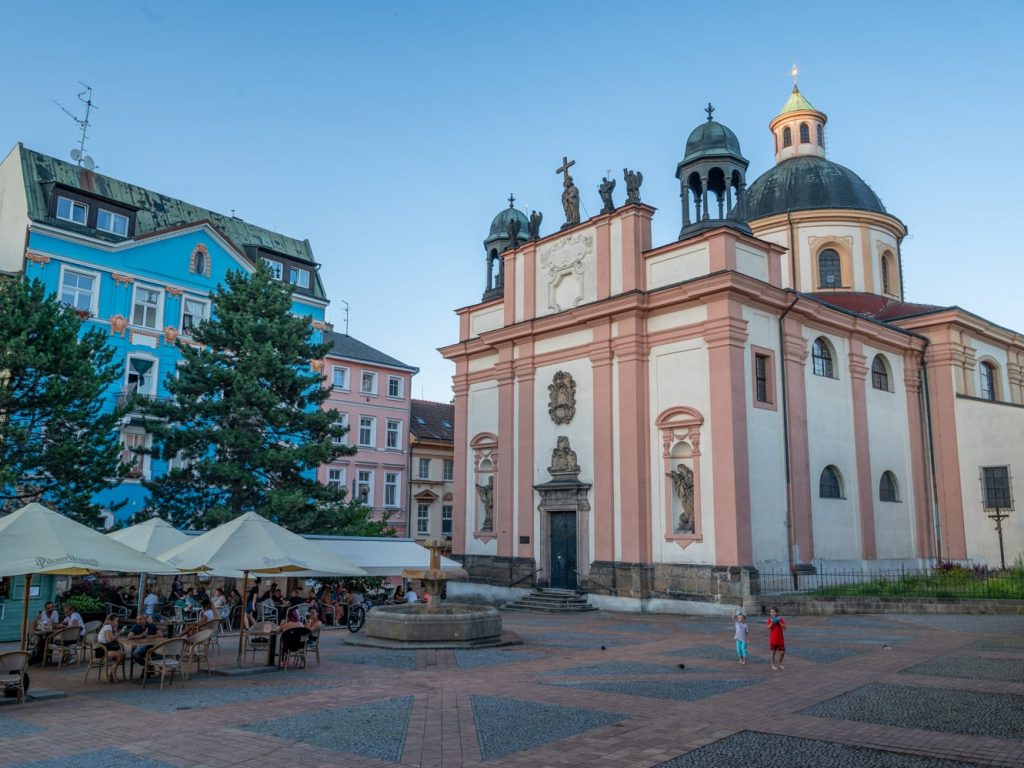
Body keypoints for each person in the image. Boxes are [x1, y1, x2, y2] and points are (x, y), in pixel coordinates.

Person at [97, 615, 125, 683]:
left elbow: (116, 641)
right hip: (103, 650)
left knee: (122, 654)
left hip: (106, 649)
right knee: (122, 654)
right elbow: (110, 640)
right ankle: (112, 672)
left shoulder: (110, 627)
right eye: (116, 621)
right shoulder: (107, 627)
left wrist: (115, 631)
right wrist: (119, 633)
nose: (117, 623)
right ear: (111, 621)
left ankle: (112, 671)